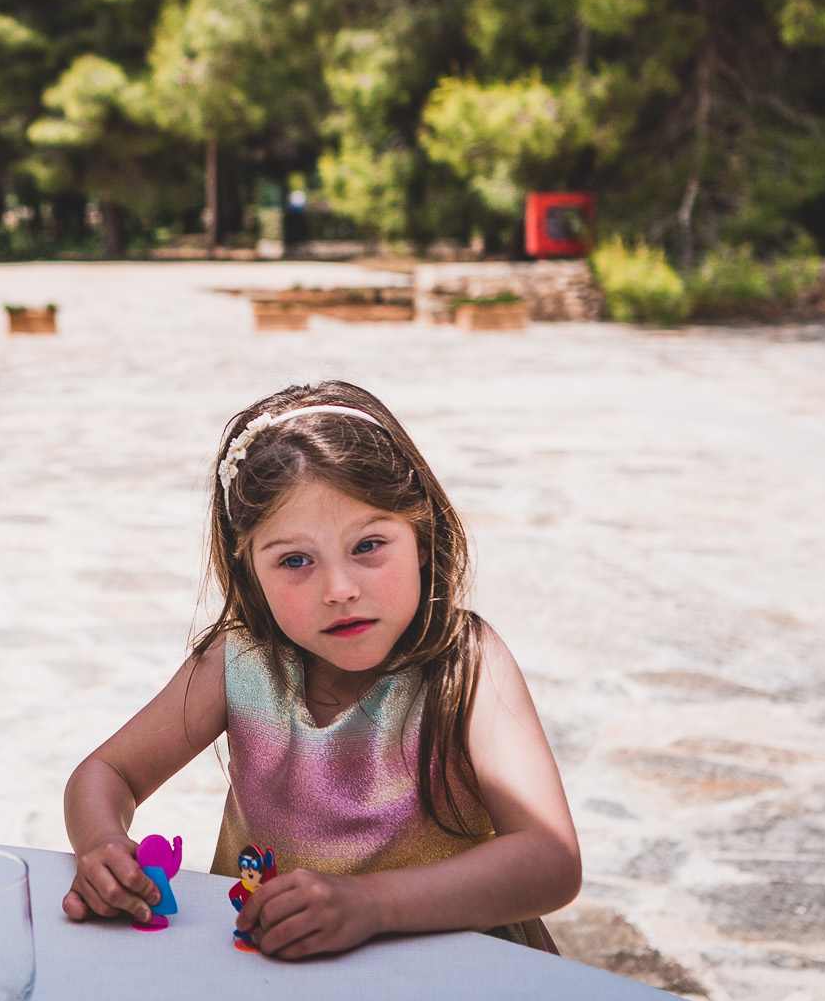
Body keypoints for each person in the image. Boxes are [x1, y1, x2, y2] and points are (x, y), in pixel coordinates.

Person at [60, 381, 581, 957]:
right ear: (248, 570)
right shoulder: (239, 662)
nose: (339, 589)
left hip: (455, 977)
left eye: (368, 546)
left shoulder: (466, 662)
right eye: (295, 561)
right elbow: (107, 771)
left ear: (423, 538)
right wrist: (102, 845)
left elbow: (550, 859)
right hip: (272, 972)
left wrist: (372, 903)